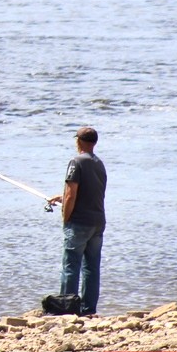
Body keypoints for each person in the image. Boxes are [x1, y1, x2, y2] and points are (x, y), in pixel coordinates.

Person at [47, 126, 107, 315]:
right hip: (97, 221)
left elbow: (72, 195)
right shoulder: (99, 163)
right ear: (94, 143)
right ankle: (88, 309)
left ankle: (67, 309)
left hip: (79, 223)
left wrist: (65, 217)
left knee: (71, 265)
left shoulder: (76, 161)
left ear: (79, 142)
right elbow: (89, 192)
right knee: (91, 267)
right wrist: (61, 196)